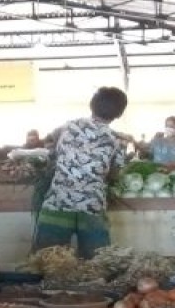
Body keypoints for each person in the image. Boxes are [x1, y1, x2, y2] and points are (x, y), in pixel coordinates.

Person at [33, 87, 128, 259]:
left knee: (48, 261)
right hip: (92, 206)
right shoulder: (117, 140)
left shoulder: (67, 127)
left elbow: (49, 148)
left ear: (92, 105)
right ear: (119, 113)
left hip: (58, 203)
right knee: (96, 263)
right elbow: (115, 174)